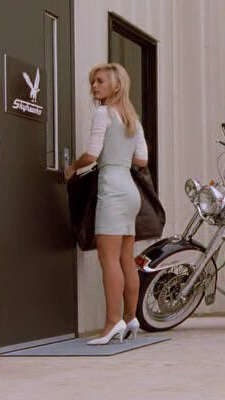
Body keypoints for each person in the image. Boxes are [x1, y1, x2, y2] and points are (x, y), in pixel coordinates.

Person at [65, 63, 148, 345]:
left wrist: (72, 168)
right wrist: (119, 155)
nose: (94, 87)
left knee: (109, 259)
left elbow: (91, 154)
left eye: (100, 81)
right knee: (126, 258)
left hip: (112, 188)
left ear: (116, 85)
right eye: (93, 82)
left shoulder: (104, 113)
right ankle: (130, 318)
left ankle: (113, 323)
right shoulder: (132, 119)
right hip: (130, 190)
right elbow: (142, 160)